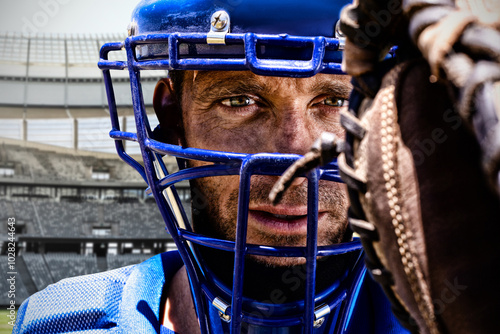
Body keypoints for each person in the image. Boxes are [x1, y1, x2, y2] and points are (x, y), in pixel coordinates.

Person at [13, 0, 410, 333]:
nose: (294, 158)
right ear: (172, 120)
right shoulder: (64, 323)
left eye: (335, 101)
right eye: (240, 101)